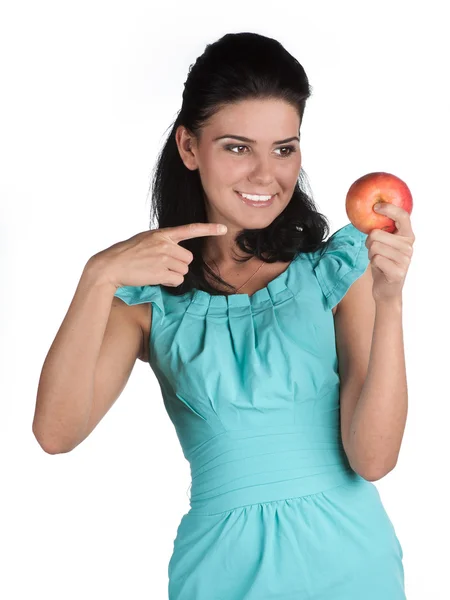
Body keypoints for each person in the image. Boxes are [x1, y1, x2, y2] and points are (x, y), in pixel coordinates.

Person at [34, 32, 413, 599]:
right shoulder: (148, 302)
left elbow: (374, 459)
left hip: (353, 563)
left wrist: (390, 299)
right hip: (221, 571)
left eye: (284, 148)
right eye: (238, 147)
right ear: (190, 148)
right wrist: (97, 277)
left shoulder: (336, 271)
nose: (266, 175)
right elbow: (56, 434)